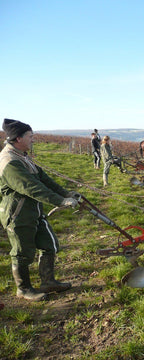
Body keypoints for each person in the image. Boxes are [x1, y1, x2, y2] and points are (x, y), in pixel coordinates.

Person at [0, 119, 80, 301]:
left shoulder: (22, 155)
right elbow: (32, 187)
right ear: (18, 138)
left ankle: (48, 281)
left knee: (49, 244)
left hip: (34, 210)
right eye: (30, 136)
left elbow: (44, 179)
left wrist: (66, 193)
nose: (33, 139)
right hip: (18, 213)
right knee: (22, 252)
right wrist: (61, 201)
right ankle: (24, 289)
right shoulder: (10, 161)